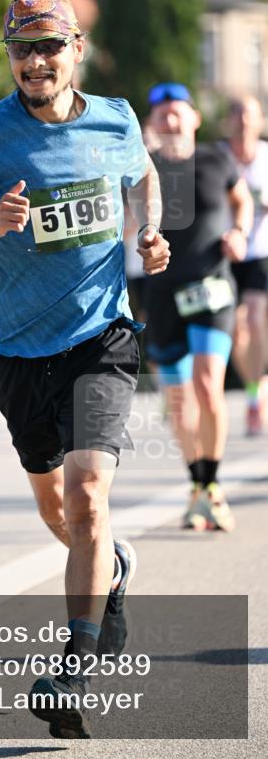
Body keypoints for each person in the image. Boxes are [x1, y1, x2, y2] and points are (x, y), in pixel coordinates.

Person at [0, 0, 169, 738]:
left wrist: (147, 231)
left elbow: (142, 172)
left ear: (75, 49)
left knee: (87, 494)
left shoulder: (113, 117)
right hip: (20, 352)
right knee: (58, 510)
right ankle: (111, 570)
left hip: (102, 337)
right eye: (21, 49)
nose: (35, 62)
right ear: (9, 57)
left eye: (48, 47)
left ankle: (75, 665)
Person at [143, 83, 254, 532]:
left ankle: (210, 483)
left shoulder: (216, 159)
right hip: (161, 292)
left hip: (211, 286)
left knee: (208, 384)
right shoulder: (142, 168)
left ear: (194, 118)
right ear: (152, 123)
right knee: (178, 397)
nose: (170, 120)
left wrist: (241, 232)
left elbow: (240, 199)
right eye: (161, 115)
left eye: (177, 113)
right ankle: (199, 486)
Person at [221, 95, 268, 435]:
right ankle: (256, 388)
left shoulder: (266, 158)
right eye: (236, 113)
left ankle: (256, 396)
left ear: (260, 120)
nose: (242, 120)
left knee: (254, 317)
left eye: (248, 114)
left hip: (261, 251)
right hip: (226, 250)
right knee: (237, 330)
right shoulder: (218, 157)